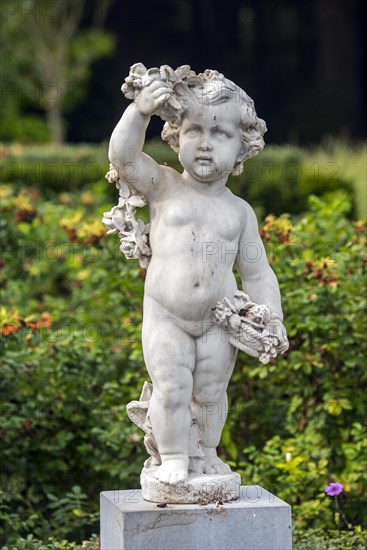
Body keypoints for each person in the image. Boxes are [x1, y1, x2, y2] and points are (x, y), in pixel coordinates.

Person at [108, 66, 287, 485]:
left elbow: (257, 272)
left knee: (210, 395)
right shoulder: (164, 185)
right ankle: (172, 456)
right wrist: (139, 112)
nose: (205, 145)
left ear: (243, 146)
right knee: (170, 388)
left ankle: (205, 454)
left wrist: (271, 317)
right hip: (166, 316)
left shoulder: (239, 212)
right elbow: (124, 157)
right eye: (193, 131)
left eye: (220, 134)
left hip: (218, 320)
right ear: (175, 136)